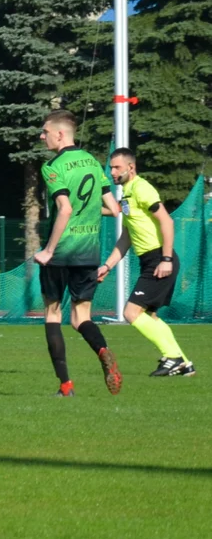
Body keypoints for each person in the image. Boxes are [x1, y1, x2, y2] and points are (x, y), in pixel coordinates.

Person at [34, 110, 122, 397]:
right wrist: (89, 212)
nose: (41, 135)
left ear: (60, 134)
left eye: (45, 131)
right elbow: (115, 208)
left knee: (52, 313)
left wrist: (48, 250)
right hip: (89, 253)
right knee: (80, 317)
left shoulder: (53, 166)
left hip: (60, 252)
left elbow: (65, 208)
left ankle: (65, 385)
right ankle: (103, 350)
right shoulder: (94, 163)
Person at [98, 148, 194, 377]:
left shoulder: (141, 188)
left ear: (130, 167)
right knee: (149, 316)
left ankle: (173, 358)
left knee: (131, 313)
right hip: (151, 260)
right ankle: (184, 364)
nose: (112, 172)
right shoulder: (127, 193)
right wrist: (107, 265)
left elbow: (167, 222)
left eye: (117, 167)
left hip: (159, 259)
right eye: (111, 167)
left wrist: (166, 259)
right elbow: (126, 237)